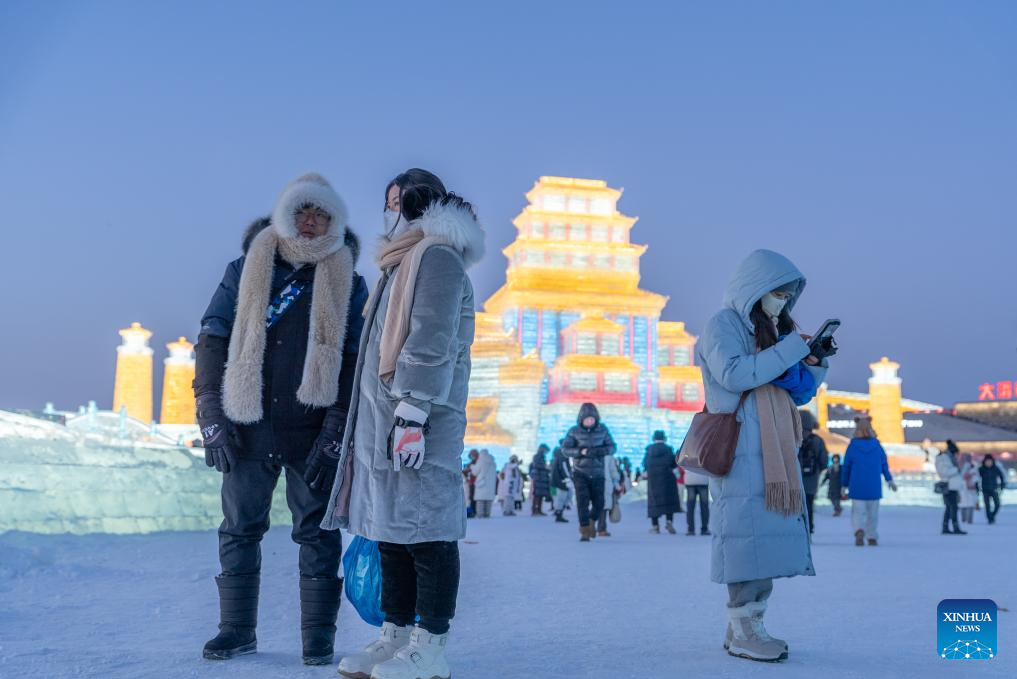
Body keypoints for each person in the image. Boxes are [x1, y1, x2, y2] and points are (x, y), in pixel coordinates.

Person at [193, 173, 368, 665]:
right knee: (239, 528)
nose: (311, 223)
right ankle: (236, 630)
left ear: (334, 224)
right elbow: (212, 338)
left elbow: (355, 361)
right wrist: (210, 409)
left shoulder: (350, 282)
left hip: (311, 425)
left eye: (322, 215)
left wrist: (336, 432)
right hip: (247, 420)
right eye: (302, 213)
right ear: (285, 216)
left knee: (318, 532)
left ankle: (318, 638)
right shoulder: (245, 269)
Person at [323, 168, 484, 679]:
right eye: (387, 202)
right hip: (382, 420)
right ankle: (395, 634)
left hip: (420, 419)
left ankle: (431, 645)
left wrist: (412, 411)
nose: (391, 211)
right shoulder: (400, 261)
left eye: (398, 202)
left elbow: (431, 337)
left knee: (428, 533)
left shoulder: (435, 257)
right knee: (391, 530)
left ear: (419, 203)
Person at [698, 249, 833, 663]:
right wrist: (789, 349)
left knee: (765, 540)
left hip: (773, 447)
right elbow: (736, 374)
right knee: (746, 540)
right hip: (741, 447)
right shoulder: (724, 324)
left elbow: (799, 392)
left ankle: (745, 625)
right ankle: (744, 629)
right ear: (755, 288)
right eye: (778, 292)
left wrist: (814, 362)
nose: (783, 301)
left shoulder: (773, 331)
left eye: (789, 294)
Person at [561, 403, 617, 542]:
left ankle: (592, 521)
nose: (590, 422)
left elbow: (612, 447)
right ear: (581, 419)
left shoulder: (602, 430)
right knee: (582, 502)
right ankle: (585, 530)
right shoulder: (574, 431)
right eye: (587, 419)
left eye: (592, 419)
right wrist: (581, 452)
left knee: (600, 502)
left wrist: (599, 451)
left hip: (598, 472)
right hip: (581, 472)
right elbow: (565, 450)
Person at [840, 416, 897, 546]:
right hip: (874, 486)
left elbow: (847, 467)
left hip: (856, 486)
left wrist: (844, 484)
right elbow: (884, 465)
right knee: (873, 513)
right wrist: (889, 480)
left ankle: (859, 530)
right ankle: (871, 536)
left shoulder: (852, 446)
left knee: (858, 512)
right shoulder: (877, 446)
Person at [644, 431, 682, 534]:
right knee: (669, 501)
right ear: (664, 438)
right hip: (668, 479)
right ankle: (669, 521)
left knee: (654, 501)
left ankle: (655, 526)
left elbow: (645, 464)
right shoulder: (669, 449)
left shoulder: (649, 450)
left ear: (653, 438)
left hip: (653, 480)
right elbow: (674, 464)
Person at [797, 410, 828, 534]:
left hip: (795, 479)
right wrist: (818, 471)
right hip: (811, 479)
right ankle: (809, 528)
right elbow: (824, 461)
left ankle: (797, 528)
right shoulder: (817, 440)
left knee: (795, 505)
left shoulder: (792, 438)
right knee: (809, 503)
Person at [935, 440, 968, 535]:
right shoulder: (942, 458)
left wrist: (963, 467)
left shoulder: (950, 458)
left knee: (950, 508)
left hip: (954, 486)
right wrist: (957, 469)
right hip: (948, 486)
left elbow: (957, 474)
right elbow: (943, 472)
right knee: (952, 507)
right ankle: (954, 527)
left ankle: (947, 527)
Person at [596, 453, 624, 537]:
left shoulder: (591, 454)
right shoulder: (609, 458)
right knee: (603, 508)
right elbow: (613, 473)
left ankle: (589, 528)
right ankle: (601, 529)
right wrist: (617, 485)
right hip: (605, 485)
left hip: (593, 484)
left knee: (596, 507)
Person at [979, 454, 1006, 524]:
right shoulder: (981, 469)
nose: (988, 463)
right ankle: (989, 519)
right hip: (985, 490)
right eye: (987, 461)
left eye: (990, 461)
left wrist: (1002, 485)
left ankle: (992, 516)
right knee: (987, 506)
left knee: (997, 504)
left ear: (992, 461)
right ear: (984, 462)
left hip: (994, 489)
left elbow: (1001, 476)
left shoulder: (995, 468)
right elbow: (976, 478)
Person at [549, 445, 573, 523]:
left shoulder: (557, 457)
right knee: (563, 497)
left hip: (555, 482)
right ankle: (559, 514)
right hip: (561, 481)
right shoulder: (563, 457)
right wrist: (569, 478)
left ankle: (557, 511)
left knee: (558, 498)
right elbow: (564, 469)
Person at [470, 449, 497, 518]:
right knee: (488, 501)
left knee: (480, 502)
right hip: (490, 486)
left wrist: (471, 467)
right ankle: (487, 515)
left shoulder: (481, 461)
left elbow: (475, 472)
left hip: (481, 485)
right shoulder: (493, 463)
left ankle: (480, 515)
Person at [529, 444, 552, 516]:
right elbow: (537, 465)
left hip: (542, 478)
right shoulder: (537, 456)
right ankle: (535, 510)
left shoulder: (541, 457)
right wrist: (546, 468)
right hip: (539, 477)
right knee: (537, 495)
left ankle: (539, 509)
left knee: (541, 495)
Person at [958, 453, 979, 524]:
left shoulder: (973, 467)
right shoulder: (959, 467)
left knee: (970, 504)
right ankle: (964, 520)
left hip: (970, 489)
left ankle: (969, 521)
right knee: (964, 504)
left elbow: (976, 477)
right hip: (963, 489)